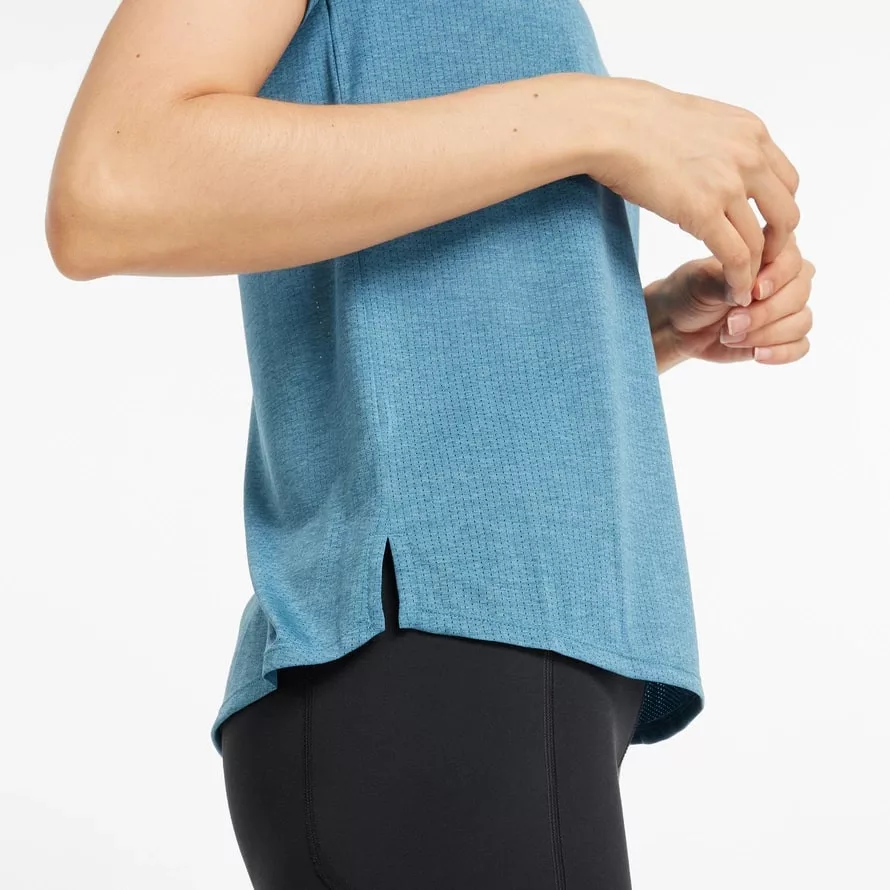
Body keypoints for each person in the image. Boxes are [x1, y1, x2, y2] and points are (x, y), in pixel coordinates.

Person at [45, 0, 815, 887]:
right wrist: (601, 117)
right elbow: (112, 182)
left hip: (477, 674)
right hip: (428, 663)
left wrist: (638, 332)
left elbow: (420, 358)